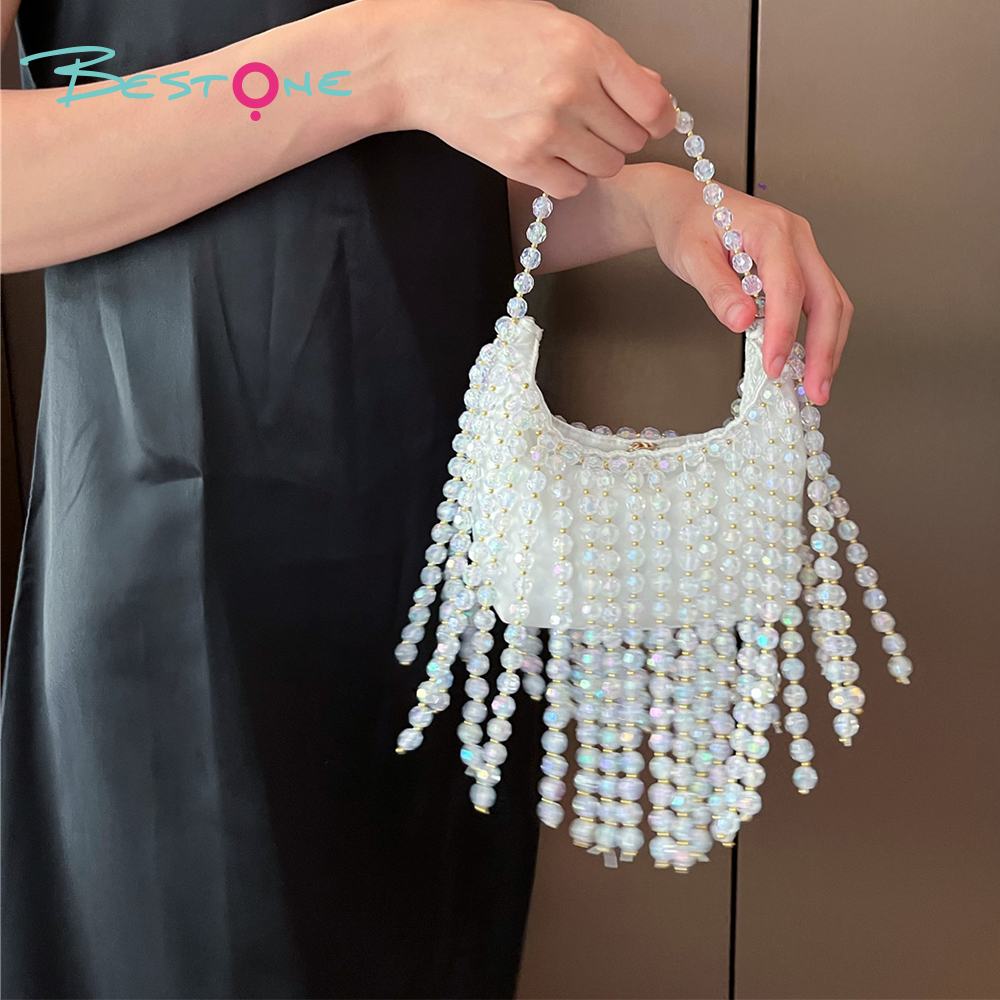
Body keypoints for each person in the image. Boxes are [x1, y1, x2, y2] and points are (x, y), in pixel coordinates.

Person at [0, 0, 853, 996]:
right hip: (178, 593)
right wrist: (387, 61)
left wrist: (647, 205)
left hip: (444, 589)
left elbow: (385, 197)